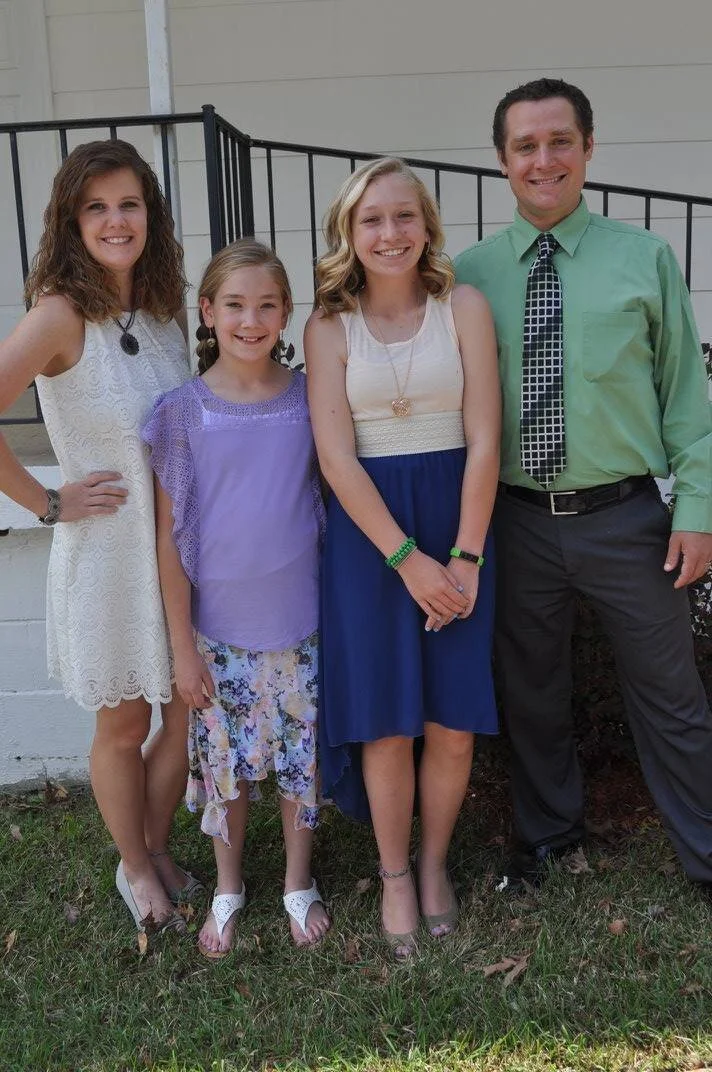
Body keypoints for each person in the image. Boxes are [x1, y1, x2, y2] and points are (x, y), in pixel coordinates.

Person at [454, 77, 712, 894]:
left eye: (560, 141)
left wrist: (698, 509)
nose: (544, 160)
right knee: (531, 692)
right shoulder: (467, 277)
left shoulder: (645, 259)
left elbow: (687, 397)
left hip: (626, 517)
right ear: (502, 160)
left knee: (672, 695)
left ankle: (707, 854)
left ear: (589, 148)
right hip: (516, 521)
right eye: (525, 146)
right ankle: (548, 840)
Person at [305, 158, 501, 959]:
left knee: (451, 723)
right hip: (371, 541)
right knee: (387, 723)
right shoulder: (328, 327)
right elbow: (335, 458)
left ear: (426, 225)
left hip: (459, 523)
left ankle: (432, 865)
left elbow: (485, 437)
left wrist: (466, 556)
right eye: (372, 220)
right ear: (349, 233)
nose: (390, 233)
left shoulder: (464, 307)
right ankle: (391, 877)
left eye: (404, 216)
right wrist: (409, 561)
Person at [0, 140, 197, 931]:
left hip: (176, 551)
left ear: (150, 215)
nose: (116, 221)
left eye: (129, 205)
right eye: (97, 208)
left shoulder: (161, 311)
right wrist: (47, 501)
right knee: (124, 723)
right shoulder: (59, 314)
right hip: (108, 557)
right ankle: (135, 867)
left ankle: (153, 845)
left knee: (182, 713)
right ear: (71, 221)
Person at [142, 239, 331, 957]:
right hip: (218, 630)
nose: (250, 321)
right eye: (234, 305)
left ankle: (297, 882)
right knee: (225, 766)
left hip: (301, 619)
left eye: (266, 306)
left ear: (285, 314)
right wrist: (182, 648)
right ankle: (228, 885)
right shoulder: (181, 413)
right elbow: (171, 539)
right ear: (207, 311)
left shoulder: (311, 398)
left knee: (299, 757)